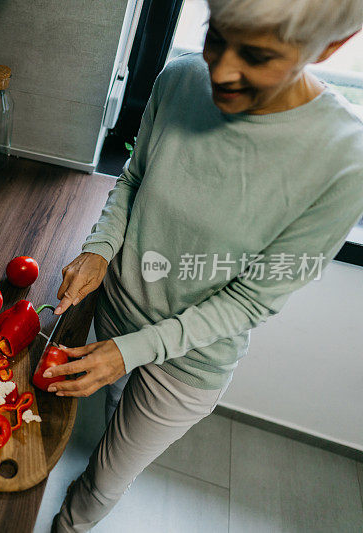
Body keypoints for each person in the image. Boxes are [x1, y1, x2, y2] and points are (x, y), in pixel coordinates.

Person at [49, 0, 363, 530]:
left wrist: (132, 353)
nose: (219, 70)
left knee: (103, 481)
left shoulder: (343, 163)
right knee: (112, 411)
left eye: (258, 56)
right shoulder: (180, 76)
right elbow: (134, 178)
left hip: (189, 364)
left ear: (330, 49)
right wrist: (100, 248)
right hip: (117, 311)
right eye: (216, 36)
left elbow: (249, 300)